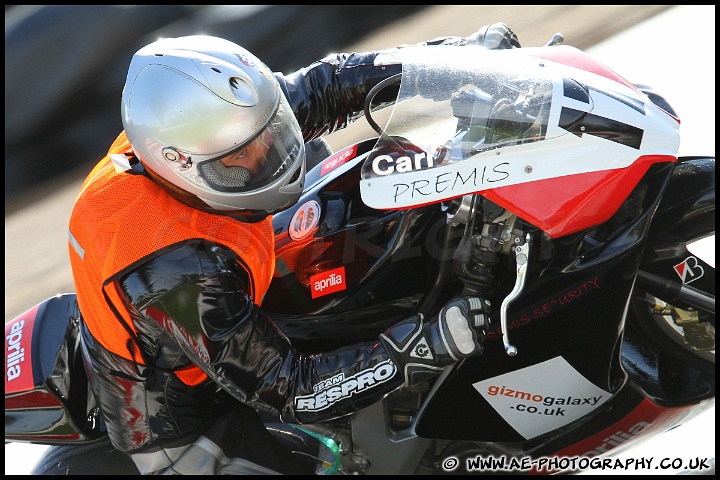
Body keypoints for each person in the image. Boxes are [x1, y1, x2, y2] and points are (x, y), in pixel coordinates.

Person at [67, 23, 521, 475]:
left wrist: (457, 59)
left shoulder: (222, 129)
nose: (271, 154)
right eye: (242, 158)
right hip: (185, 411)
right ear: (182, 164)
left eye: (273, 131)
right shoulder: (178, 269)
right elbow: (289, 387)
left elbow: (326, 85)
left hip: (227, 279)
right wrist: (419, 347)